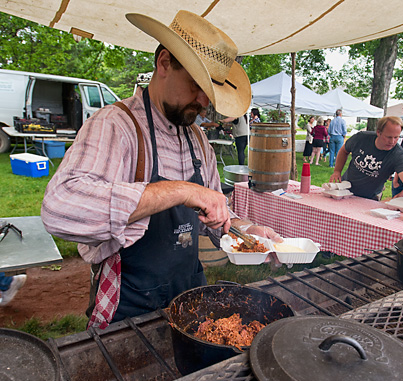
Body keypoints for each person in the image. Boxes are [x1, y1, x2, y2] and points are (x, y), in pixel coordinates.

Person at [41, 10, 282, 329]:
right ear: (165, 63)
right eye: (197, 86)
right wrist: (181, 190)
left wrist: (245, 232)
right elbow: (60, 209)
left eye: (209, 94)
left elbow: (215, 214)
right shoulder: (115, 126)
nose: (202, 102)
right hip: (129, 304)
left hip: (190, 294)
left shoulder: (197, 137)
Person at [329, 116, 403, 215]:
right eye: (388, 137)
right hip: (344, 190)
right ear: (378, 132)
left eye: (396, 137)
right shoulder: (361, 138)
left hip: (370, 198)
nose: (392, 142)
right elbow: (344, 150)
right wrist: (337, 171)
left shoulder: (397, 154)